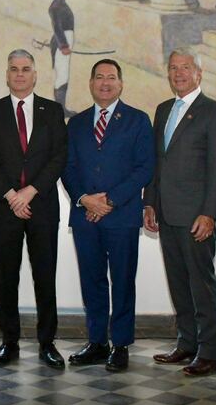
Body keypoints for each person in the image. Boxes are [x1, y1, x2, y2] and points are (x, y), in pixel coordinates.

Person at [143, 49, 216, 376]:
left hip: (196, 216)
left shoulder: (214, 112)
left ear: (199, 72)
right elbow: (157, 161)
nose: (178, 73)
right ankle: (187, 344)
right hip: (165, 213)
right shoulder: (164, 110)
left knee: (201, 285)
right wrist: (149, 201)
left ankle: (210, 352)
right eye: (173, 68)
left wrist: (209, 213)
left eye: (186, 67)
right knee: (179, 283)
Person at [62, 59, 154, 372]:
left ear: (121, 83)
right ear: (90, 83)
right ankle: (98, 342)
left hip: (122, 217)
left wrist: (110, 201)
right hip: (85, 217)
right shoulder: (76, 123)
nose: (105, 83)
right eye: (99, 77)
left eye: (111, 77)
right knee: (93, 282)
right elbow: (68, 168)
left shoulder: (138, 120)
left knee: (123, 282)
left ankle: (121, 344)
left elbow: (145, 168)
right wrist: (84, 199)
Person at [0, 49, 68, 369]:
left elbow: (59, 156)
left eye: (26, 69)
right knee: (8, 278)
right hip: (5, 209)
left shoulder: (53, 110)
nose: (19, 74)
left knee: (45, 277)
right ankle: (9, 342)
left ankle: (47, 342)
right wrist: (11, 195)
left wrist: (30, 191)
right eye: (14, 69)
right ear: (6, 75)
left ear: (35, 74)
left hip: (41, 207)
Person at [45, 0, 75, 118]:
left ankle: (62, 108)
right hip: (61, 44)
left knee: (64, 75)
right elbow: (57, 28)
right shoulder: (55, 7)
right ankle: (60, 110)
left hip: (66, 40)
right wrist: (63, 45)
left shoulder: (62, 4)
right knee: (61, 76)